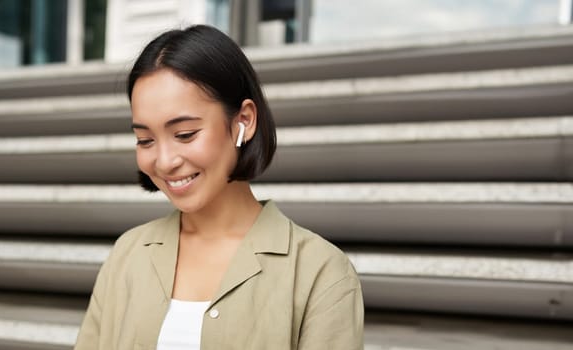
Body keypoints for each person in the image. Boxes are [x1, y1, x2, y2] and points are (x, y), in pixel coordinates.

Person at [74, 25, 363, 350]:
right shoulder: (128, 255)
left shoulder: (318, 271)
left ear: (244, 120)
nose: (165, 161)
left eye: (185, 134)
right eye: (145, 140)